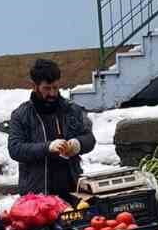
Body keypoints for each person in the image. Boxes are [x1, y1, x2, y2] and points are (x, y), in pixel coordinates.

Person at [7, 58, 95, 203]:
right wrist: (48, 147)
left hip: (74, 189)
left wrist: (77, 144)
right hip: (37, 195)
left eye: (55, 88)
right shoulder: (21, 115)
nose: (53, 93)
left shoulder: (72, 110)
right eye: (47, 89)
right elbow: (15, 149)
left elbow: (89, 139)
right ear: (34, 86)